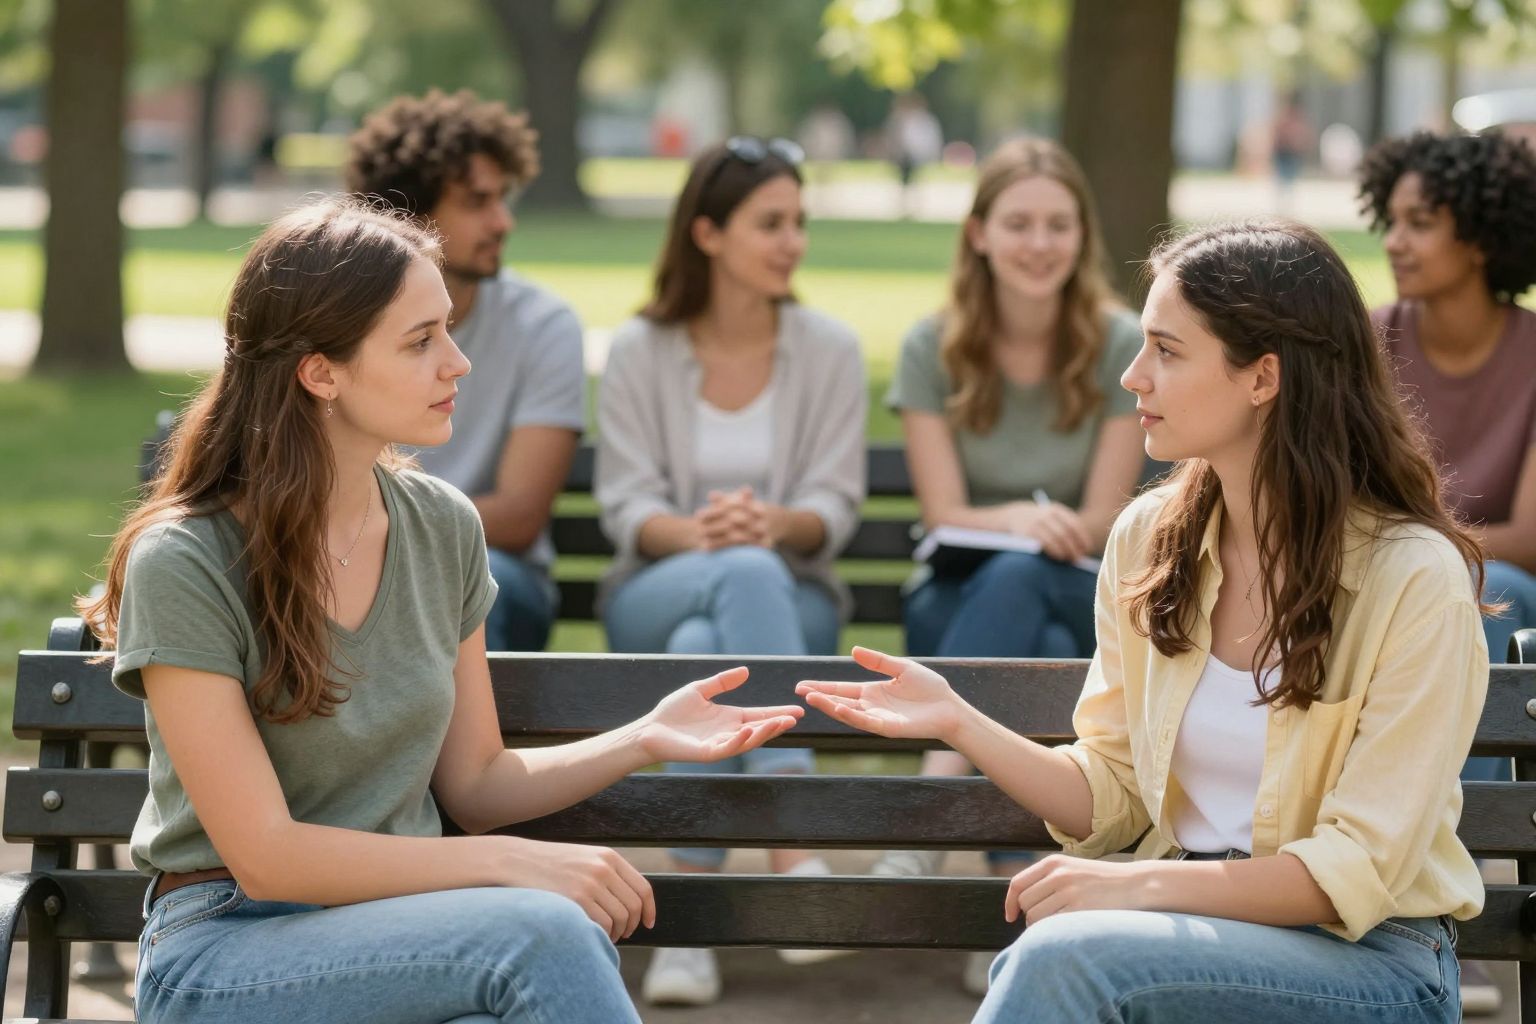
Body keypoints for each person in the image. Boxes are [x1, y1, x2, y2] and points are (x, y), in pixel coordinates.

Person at [78, 198, 807, 1024]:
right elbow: (268, 857)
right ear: (320, 373)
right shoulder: (188, 560)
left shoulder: (441, 526)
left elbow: (478, 782)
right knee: (541, 934)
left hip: (405, 936)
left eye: (449, 331)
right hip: (226, 947)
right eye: (420, 341)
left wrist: (644, 737)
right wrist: (508, 866)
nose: (457, 363)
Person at [800, 220, 1490, 1023]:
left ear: (1263, 377)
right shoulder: (1151, 541)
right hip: (1189, 938)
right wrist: (958, 720)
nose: (1133, 376)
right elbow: (1113, 792)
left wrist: (1132, 886)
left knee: (1066, 960)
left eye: (1166, 350)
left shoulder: (1413, 579)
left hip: (1375, 964)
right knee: (1065, 956)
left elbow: (1354, 869)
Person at [595, 136, 867, 1006]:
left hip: (793, 603)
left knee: (703, 648)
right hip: (656, 586)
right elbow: (626, 507)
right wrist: (701, 534)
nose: (793, 242)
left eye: (799, 223)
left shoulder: (830, 349)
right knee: (725, 587)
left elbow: (836, 502)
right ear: (708, 233)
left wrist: (775, 525)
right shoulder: (640, 349)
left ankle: (686, 927)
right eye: (770, 224)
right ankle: (793, 834)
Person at [876, 135, 1146, 995]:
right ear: (979, 233)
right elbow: (943, 513)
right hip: (956, 602)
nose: (1039, 243)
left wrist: (1050, 531)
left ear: (1082, 236)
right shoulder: (934, 346)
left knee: (1027, 586)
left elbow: (1106, 518)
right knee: (1023, 615)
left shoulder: (1119, 341)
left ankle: (929, 815)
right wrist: (1023, 520)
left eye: (1058, 225)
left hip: (1078, 591)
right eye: (1019, 223)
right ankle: (1013, 905)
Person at [1360, 127, 1536, 1015]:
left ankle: (1444, 908)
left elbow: (1530, 537)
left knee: (1492, 593)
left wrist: (1425, 557)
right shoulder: (1370, 339)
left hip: (1494, 588)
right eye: (1391, 220)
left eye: (1421, 222)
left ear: (1481, 236)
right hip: (1383, 578)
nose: (1395, 240)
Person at [345, 88, 585, 652]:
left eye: (503, 198)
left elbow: (519, 518)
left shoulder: (544, 325)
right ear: (408, 212)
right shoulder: (342, 326)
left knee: (456, 576)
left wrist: (361, 532)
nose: (503, 221)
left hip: (496, 571)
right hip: (347, 555)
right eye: (477, 202)